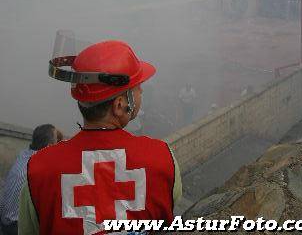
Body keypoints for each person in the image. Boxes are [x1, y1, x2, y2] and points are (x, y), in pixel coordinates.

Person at [19, 40, 182, 235]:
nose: (142, 91)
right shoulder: (162, 159)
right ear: (120, 105)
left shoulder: (38, 170)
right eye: (137, 87)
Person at [0, 124, 61, 235]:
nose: (58, 144)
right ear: (48, 146)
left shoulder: (23, 154)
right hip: (15, 226)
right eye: (57, 141)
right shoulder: (39, 168)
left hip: (4, 220)